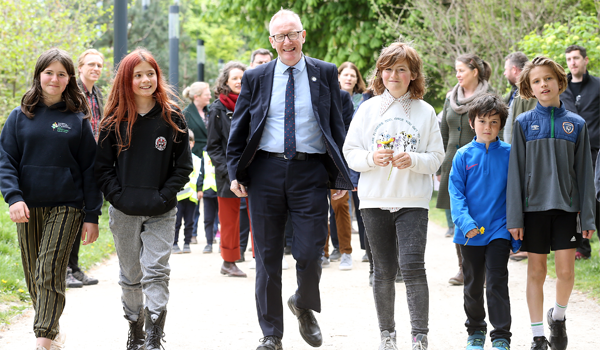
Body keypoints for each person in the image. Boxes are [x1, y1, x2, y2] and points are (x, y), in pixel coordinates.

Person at [226, 9, 352, 350]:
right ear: (271, 41)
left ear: (303, 35)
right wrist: (235, 169)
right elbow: (240, 126)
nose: (287, 42)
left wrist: (342, 172)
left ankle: (304, 303)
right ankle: (271, 334)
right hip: (265, 172)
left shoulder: (325, 73)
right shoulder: (256, 77)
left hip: (310, 172)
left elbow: (335, 125)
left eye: (292, 34)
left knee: (311, 250)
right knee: (267, 256)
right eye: (279, 37)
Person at [343, 41, 444, 350]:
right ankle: (387, 335)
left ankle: (419, 336)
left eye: (402, 69)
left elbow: (437, 157)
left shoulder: (425, 112)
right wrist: (373, 158)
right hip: (374, 201)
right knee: (383, 270)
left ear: (413, 74)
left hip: (412, 201)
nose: (394, 75)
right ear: (380, 73)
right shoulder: (367, 109)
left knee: (413, 267)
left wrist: (413, 160)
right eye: (388, 69)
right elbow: (350, 153)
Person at [0, 48, 102, 350]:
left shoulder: (77, 118)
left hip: (67, 205)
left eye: (61, 73)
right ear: (39, 75)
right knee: (35, 276)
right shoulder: (19, 117)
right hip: (27, 207)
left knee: (49, 270)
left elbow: (89, 169)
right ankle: (54, 332)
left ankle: (43, 341)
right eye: (49, 72)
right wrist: (13, 197)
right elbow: (5, 160)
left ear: (69, 78)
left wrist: (92, 215)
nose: (54, 79)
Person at [95, 48, 193, 350]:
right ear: (127, 79)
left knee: (157, 270)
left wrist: (165, 196)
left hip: (161, 211)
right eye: (138, 75)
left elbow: (183, 166)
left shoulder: (172, 117)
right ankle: (135, 327)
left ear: (157, 77)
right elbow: (102, 168)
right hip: (124, 211)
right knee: (131, 274)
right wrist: (117, 197)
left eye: (150, 73)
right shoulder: (113, 121)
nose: (145, 79)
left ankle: (153, 333)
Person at [507, 56, 596, 350]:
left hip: (567, 209)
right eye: (536, 81)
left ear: (560, 82)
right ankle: (536, 337)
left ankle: (557, 317)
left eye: (548, 78)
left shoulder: (577, 125)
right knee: (536, 271)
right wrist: (515, 218)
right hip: (532, 211)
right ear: (529, 88)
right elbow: (515, 175)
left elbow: (585, 176)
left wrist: (589, 219)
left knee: (566, 273)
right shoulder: (522, 124)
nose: (543, 84)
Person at [449, 94, 516, 350]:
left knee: (497, 280)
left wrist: (515, 228)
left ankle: (501, 336)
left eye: (494, 122)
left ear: (501, 125)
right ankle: (475, 330)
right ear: (471, 122)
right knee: (473, 284)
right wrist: (466, 224)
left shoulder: (511, 154)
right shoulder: (462, 156)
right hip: (470, 232)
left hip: (499, 228)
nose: (487, 127)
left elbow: (517, 193)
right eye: (482, 121)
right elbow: (456, 194)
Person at [436, 53, 494, 286]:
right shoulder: (451, 98)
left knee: (482, 215)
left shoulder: (489, 97)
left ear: (474, 71)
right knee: (459, 217)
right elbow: (443, 132)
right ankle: (463, 268)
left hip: (480, 165)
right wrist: (440, 165)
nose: (457, 74)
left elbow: (496, 131)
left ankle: (487, 266)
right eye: (456, 70)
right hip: (453, 163)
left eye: (461, 70)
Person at [65, 48, 106, 288]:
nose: (95, 69)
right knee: (71, 215)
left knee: (82, 214)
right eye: (91, 64)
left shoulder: (96, 93)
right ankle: (65, 270)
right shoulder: (72, 92)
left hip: (92, 160)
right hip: (74, 160)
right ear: (79, 68)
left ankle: (75, 267)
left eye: (99, 65)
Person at [206, 61, 250, 278]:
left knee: (260, 216)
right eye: (234, 78)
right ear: (225, 82)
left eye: (242, 77)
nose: (239, 81)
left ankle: (262, 258)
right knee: (230, 221)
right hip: (227, 174)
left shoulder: (253, 103)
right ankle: (229, 262)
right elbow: (213, 147)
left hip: (254, 171)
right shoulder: (217, 109)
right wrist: (229, 172)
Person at [560, 45, 600, 260]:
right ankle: (581, 248)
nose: (572, 62)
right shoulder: (560, 87)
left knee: (596, 197)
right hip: (569, 152)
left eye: (576, 58)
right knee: (574, 199)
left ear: (585, 60)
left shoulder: (598, 86)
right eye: (569, 59)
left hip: (595, 153)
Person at [338, 61, 369, 264]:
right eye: (345, 74)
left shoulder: (364, 100)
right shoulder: (332, 97)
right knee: (338, 202)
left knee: (361, 203)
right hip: (338, 152)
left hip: (359, 152)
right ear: (339, 77)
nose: (349, 78)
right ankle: (338, 248)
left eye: (353, 75)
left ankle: (368, 248)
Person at [182, 82, 211, 245]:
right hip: (195, 156)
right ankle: (192, 232)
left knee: (209, 192)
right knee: (194, 194)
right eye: (206, 94)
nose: (210, 97)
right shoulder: (186, 113)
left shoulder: (211, 111)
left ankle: (212, 231)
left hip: (211, 158)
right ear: (196, 96)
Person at [172, 129, 203, 254]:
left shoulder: (197, 160)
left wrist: (200, 190)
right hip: (178, 196)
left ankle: (187, 243)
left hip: (192, 196)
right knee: (177, 221)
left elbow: (200, 176)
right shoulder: (176, 158)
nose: (188, 144)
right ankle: (174, 243)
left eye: (190, 142)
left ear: (193, 143)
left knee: (190, 221)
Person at [502, 52, 537, 144]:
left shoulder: (530, 91)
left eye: (506, 69)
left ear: (514, 69)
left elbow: (533, 126)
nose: (504, 73)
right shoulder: (515, 92)